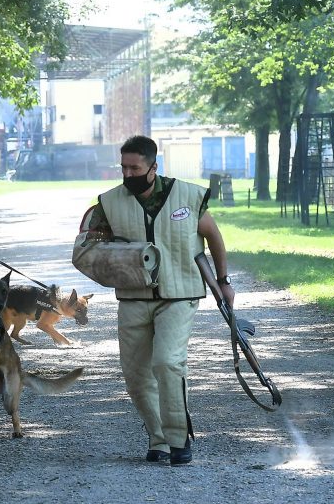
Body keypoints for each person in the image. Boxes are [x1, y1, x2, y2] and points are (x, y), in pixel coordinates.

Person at [83, 135, 233, 465]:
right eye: (123, 167)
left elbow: (213, 236)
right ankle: (158, 438)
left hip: (180, 295)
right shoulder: (109, 203)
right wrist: (111, 263)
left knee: (167, 362)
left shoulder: (188, 196)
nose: (128, 174)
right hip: (133, 297)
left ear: (154, 167)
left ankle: (179, 440)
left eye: (134, 167)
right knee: (136, 376)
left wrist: (223, 282)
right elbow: (86, 250)